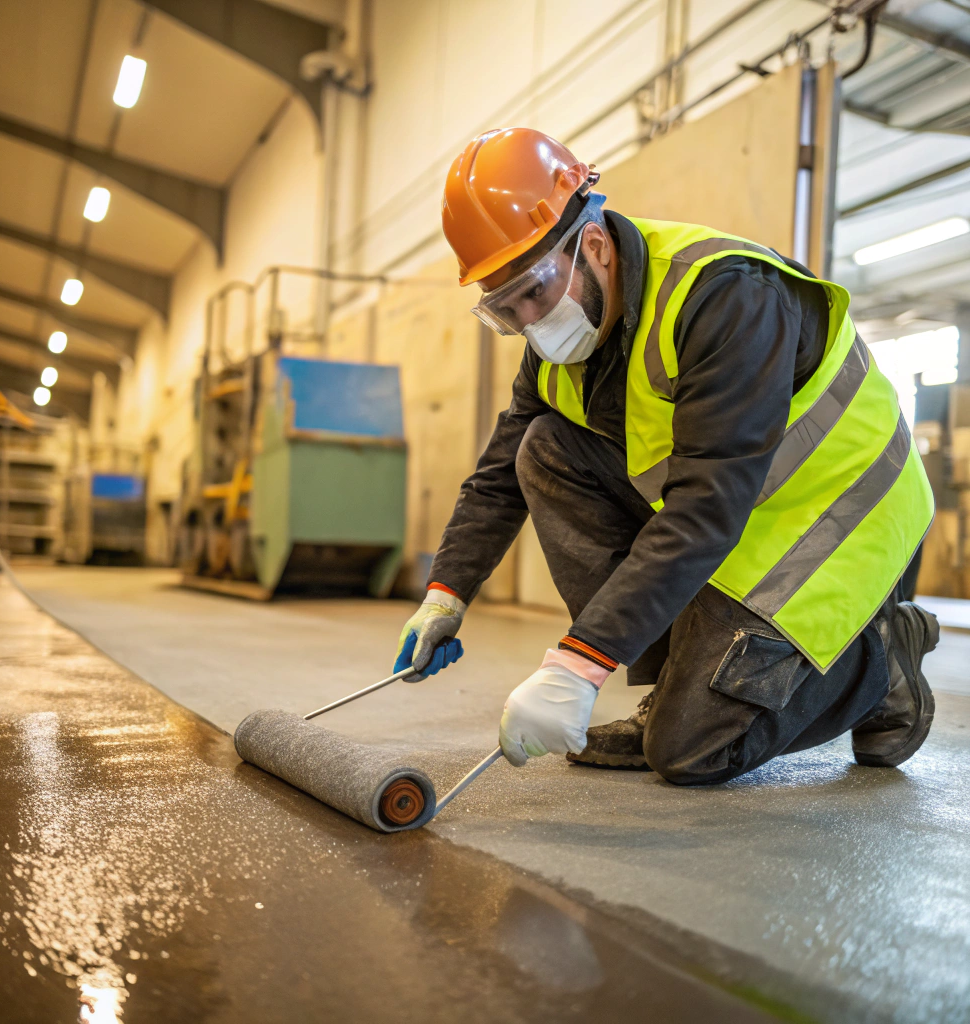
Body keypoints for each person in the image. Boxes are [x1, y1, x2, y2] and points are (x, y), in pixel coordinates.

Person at [393, 127, 938, 784]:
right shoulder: (562, 343)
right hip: (739, 516)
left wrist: (578, 663)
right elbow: (498, 478)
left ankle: (883, 660)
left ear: (594, 245)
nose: (531, 322)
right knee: (542, 450)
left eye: (535, 290)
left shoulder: (728, 297)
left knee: (689, 751)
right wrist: (445, 596)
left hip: (835, 520)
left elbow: (706, 507)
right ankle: (684, 676)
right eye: (506, 310)